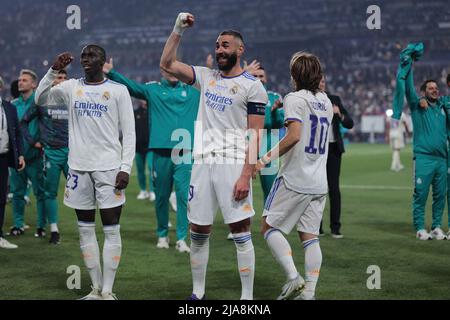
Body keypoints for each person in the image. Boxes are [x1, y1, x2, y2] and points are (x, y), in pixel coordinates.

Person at [160, 13, 268, 300]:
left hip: (233, 164)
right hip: (203, 163)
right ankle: (198, 293)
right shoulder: (206, 77)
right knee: (198, 230)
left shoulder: (253, 87)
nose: (220, 50)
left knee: (240, 230)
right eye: (217, 46)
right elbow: (167, 64)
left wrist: (246, 174)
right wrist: (177, 30)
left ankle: (247, 298)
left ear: (239, 50)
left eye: (226, 45)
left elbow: (255, 134)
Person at [35, 45, 136, 300]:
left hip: (109, 169)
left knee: (111, 229)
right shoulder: (71, 87)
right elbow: (40, 98)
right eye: (83, 57)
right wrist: (53, 70)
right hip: (78, 168)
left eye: (91, 56)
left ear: (103, 61)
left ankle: (109, 291)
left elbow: (130, 133)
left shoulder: (118, 90)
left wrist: (125, 168)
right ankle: (95, 289)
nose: (86, 60)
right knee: (85, 230)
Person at [255, 51, 333, 300]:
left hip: (294, 177)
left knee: (268, 227)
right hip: (319, 181)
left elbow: (294, 136)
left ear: (296, 75)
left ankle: (293, 277)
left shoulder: (294, 99)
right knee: (310, 237)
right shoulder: (326, 101)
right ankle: (308, 293)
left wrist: (264, 159)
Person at [103, 58, 199, 253]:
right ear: (162, 70)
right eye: (167, 68)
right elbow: (131, 87)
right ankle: (162, 234)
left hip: (184, 153)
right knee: (162, 197)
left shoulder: (194, 91)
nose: (171, 71)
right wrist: (111, 73)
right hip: (160, 152)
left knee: (183, 197)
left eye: (175, 68)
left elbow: (217, 86)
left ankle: (182, 238)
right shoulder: (152, 90)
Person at [392, 43, 447, 240]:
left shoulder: (444, 106)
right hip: (423, 158)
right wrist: (409, 64)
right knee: (421, 194)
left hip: (442, 159)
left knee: (440, 195)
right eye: (430, 88)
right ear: (424, 92)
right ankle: (419, 228)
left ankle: (437, 227)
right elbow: (406, 86)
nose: (434, 90)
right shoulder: (418, 105)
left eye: (436, 88)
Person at [20, 69, 69, 245]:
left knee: (80, 192)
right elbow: (24, 121)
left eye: (64, 78)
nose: (61, 81)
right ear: (52, 81)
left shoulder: (72, 99)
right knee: (50, 193)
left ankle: (85, 226)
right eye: (58, 78)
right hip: (51, 153)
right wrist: (33, 142)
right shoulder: (42, 101)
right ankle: (54, 229)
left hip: (73, 153)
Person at [8, 69, 46, 237]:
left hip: (35, 156)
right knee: (17, 193)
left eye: (24, 80)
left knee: (40, 193)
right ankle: (18, 225)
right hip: (17, 157)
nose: (20, 82)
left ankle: (41, 226)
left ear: (34, 84)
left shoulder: (39, 103)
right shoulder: (13, 105)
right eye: (19, 79)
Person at [318, 76, 354, 238]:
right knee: (317, 189)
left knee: (334, 189)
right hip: (316, 150)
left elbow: (350, 123)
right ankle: (316, 228)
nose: (321, 84)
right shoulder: (308, 99)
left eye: (323, 81)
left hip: (333, 150)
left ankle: (335, 228)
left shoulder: (334, 100)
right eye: (318, 81)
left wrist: (339, 114)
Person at [0, 76, 26, 249]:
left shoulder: (9, 107)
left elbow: (16, 133)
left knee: (1, 198)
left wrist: (20, 155)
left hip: (3, 157)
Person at [132, 100, 155, 202]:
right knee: (140, 170)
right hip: (138, 146)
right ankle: (143, 190)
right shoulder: (135, 112)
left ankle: (152, 191)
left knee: (151, 169)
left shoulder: (154, 112)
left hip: (151, 146)